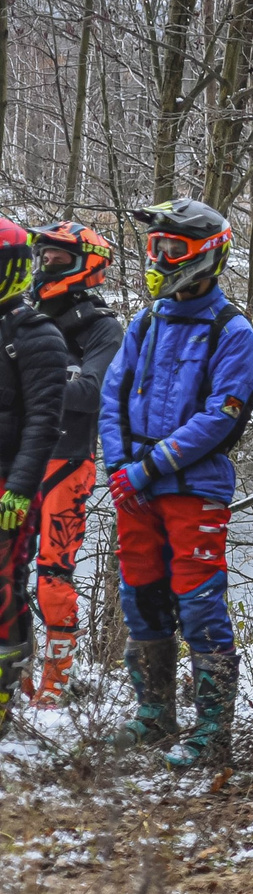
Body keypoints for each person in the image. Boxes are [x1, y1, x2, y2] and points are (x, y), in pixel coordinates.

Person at [98, 199, 253, 769]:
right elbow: (113, 396)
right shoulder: (146, 322)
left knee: (199, 602)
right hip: (135, 485)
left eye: (174, 248)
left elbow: (222, 418)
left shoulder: (233, 331)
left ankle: (213, 730)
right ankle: (155, 714)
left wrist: (149, 468)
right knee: (140, 595)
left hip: (194, 485)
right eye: (157, 247)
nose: (162, 257)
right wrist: (120, 467)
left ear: (206, 255)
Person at [27, 223, 119, 705]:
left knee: (53, 573)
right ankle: (14, 678)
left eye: (58, 258)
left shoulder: (102, 327)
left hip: (67, 459)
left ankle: (55, 683)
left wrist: (33, 381)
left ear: (85, 265)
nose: (47, 264)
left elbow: (93, 392)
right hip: (15, 454)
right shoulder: (21, 314)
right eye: (43, 256)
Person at [0, 222, 68, 733]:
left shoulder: (37, 334)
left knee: (4, 589)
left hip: (10, 483)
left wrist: (20, 490)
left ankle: (3, 697)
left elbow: (44, 421)